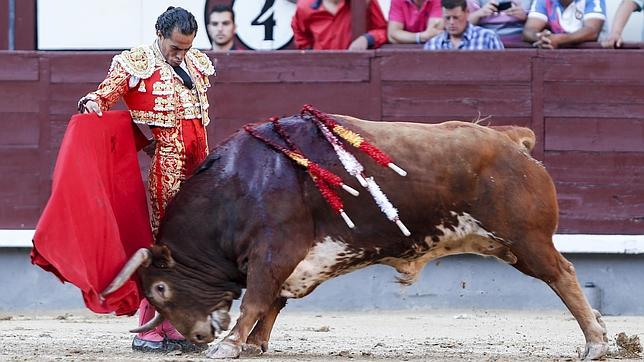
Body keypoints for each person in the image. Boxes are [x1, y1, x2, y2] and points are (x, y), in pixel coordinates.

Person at [77, 6, 215, 353]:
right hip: (167, 169)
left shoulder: (194, 62)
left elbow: (195, 125)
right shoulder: (137, 62)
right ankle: (149, 327)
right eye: (175, 48)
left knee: (190, 246)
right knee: (164, 244)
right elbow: (103, 95)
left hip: (198, 168)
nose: (181, 54)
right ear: (160, 35)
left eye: (186, 47)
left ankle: (173, 323)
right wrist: (93, 103)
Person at [291, 0, 388, 50]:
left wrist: (367, 39)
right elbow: (300, 33)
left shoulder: (364, 2)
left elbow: (383, 30)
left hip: (356, 69)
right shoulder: (305, 6)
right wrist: (310, 53)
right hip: (320, 71)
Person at [522, 0, 606, 49]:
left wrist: (559, 39)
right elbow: (529, 29)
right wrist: (540, 37)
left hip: (590, 59)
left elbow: (592, 31)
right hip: (554, 60)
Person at [424, 0, 505, 49]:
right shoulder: (433, 44)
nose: (451, 22)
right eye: (447, 18)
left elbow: (501, 70)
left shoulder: (488, 38)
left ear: (467, 13)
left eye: (456, 17)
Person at [467, 0, 533, 42]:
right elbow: (463, 24)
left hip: (520, 38)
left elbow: (539, 25)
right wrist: (480, 13)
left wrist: (525, 18)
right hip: (485, 38)